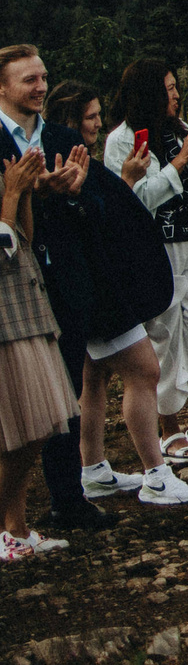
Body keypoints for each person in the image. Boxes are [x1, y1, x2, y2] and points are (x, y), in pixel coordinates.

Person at [44, 83, 188, 508]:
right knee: (144, 371)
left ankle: (92, 469)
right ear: (72, 120)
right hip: (102, 294)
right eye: (90, 117)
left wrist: (125, 179)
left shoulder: (84, 165)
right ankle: (156, 474)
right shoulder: (70, 169)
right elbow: (96, 223)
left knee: (95, 378)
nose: (97, 124)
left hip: (91, 292)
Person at [0, 45, 113, 533]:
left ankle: (66, 498)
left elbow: (100, 213)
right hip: (9, 292)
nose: (41, 87)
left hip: (63, 282)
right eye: (29, 80)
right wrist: (32, 194)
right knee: (17, 409)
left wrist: (74, 195)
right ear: (2, 88)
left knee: (62, 395)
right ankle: (13, 520)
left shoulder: (65, 138)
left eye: (44, 77)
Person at [103, 61, 188, 464]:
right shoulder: (121, 142)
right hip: (154, 251)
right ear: (149, 94)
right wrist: (179, 163)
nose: (176, 95)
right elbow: (135, 200)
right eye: (170, 89)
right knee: (164, 338)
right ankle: (169, 430)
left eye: (176, 88)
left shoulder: (177, 132)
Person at [0, 142, 80, 558]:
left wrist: (28, 192)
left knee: (37, 428)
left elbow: (23, 241)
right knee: (17, 435)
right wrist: (11, 195)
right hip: (4, 322)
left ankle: (15, 528)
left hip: (25, 307)